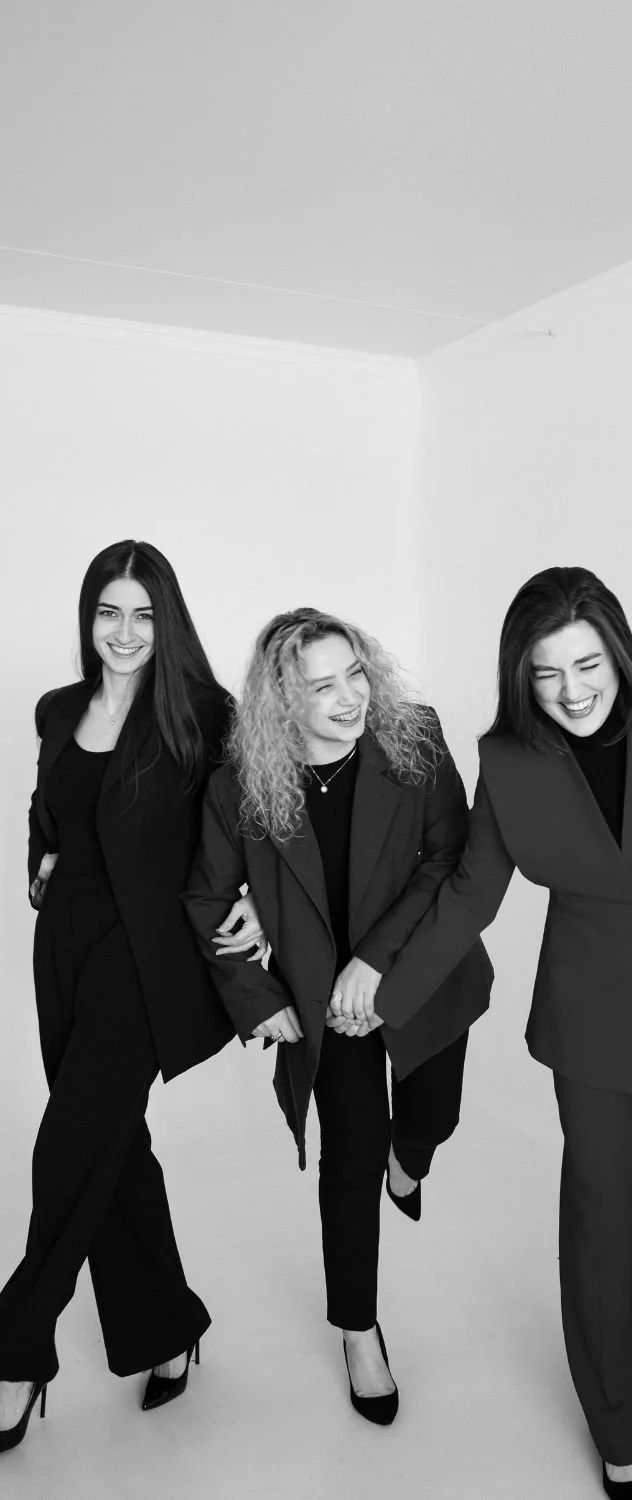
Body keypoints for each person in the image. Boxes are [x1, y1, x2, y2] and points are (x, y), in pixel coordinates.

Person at [329, 566, 632, 1496]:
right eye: (546, 674)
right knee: (604, 1215)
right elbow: (470, 896)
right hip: (590, 1011)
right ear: (520, 677)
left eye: (587, 666)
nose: (571, 692)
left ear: (620, 654)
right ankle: (622, 1429)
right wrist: (385, 995)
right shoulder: (510, 760)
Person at [183, 608, 492, 1425]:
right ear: (281, 700)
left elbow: (448, 858)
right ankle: (358, 1329)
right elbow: (207, 898)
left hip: (419, 973)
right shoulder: (242, 783)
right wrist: (263, 1001)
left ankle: (410, 1157)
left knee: (433, 1115)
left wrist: (376, 962)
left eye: (355, 673)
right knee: (349, 1158)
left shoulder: (412, 737)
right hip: (325, 1005)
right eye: (322, 686)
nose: (351, 697)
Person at [0, 539, 261, 1455]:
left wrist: (258, 901)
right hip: (65, 948)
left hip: (147, 958)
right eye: (109, 612)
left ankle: (16, 1351)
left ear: (167, 621)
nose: (124, 631)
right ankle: (168, 1327)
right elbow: (53, 809)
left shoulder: (205, 714)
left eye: (144, 615)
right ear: (89, 618)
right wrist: (41, 857)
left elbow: (258, 821)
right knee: (113, 1144)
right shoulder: (58, 708)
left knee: (69, 1144)